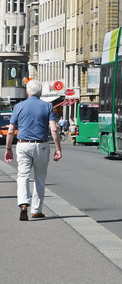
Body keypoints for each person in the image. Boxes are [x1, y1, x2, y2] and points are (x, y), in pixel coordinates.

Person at [3, 79, 63, 221]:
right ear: (40, 93)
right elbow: (54, 129)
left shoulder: (19, 106)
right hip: (41, 145)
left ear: (27, 92)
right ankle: (36, 210)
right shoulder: (47, 106)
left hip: (23, 145)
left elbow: (11, 130)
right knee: (39, 178)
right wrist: (58, 149)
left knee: (23, 176)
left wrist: (8, 148)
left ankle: (23, 204)